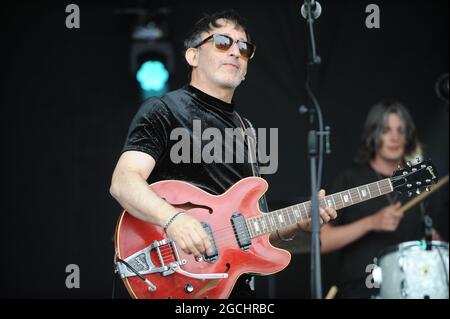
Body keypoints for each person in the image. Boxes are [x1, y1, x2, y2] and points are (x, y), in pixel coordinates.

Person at [109, 9, 337, 298]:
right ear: (192, 56)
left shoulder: (247, 131)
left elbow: (251, 229)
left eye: (244, 48)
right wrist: (174, 220)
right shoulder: (163, 111)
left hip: (232, 288)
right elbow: (123, 182)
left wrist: (296, 225)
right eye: (221, 42)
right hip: (175, 278)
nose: (235, 52)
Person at [320, 99, 443, 299]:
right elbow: (321, 241)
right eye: (386, 130)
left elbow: (435, 237)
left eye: (400, 130)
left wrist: (432, 243)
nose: (395, 137)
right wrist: (371, 223)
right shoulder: (350, 178)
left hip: (412, 290)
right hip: (359, 290)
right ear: (374, 135)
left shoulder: (420, 180)